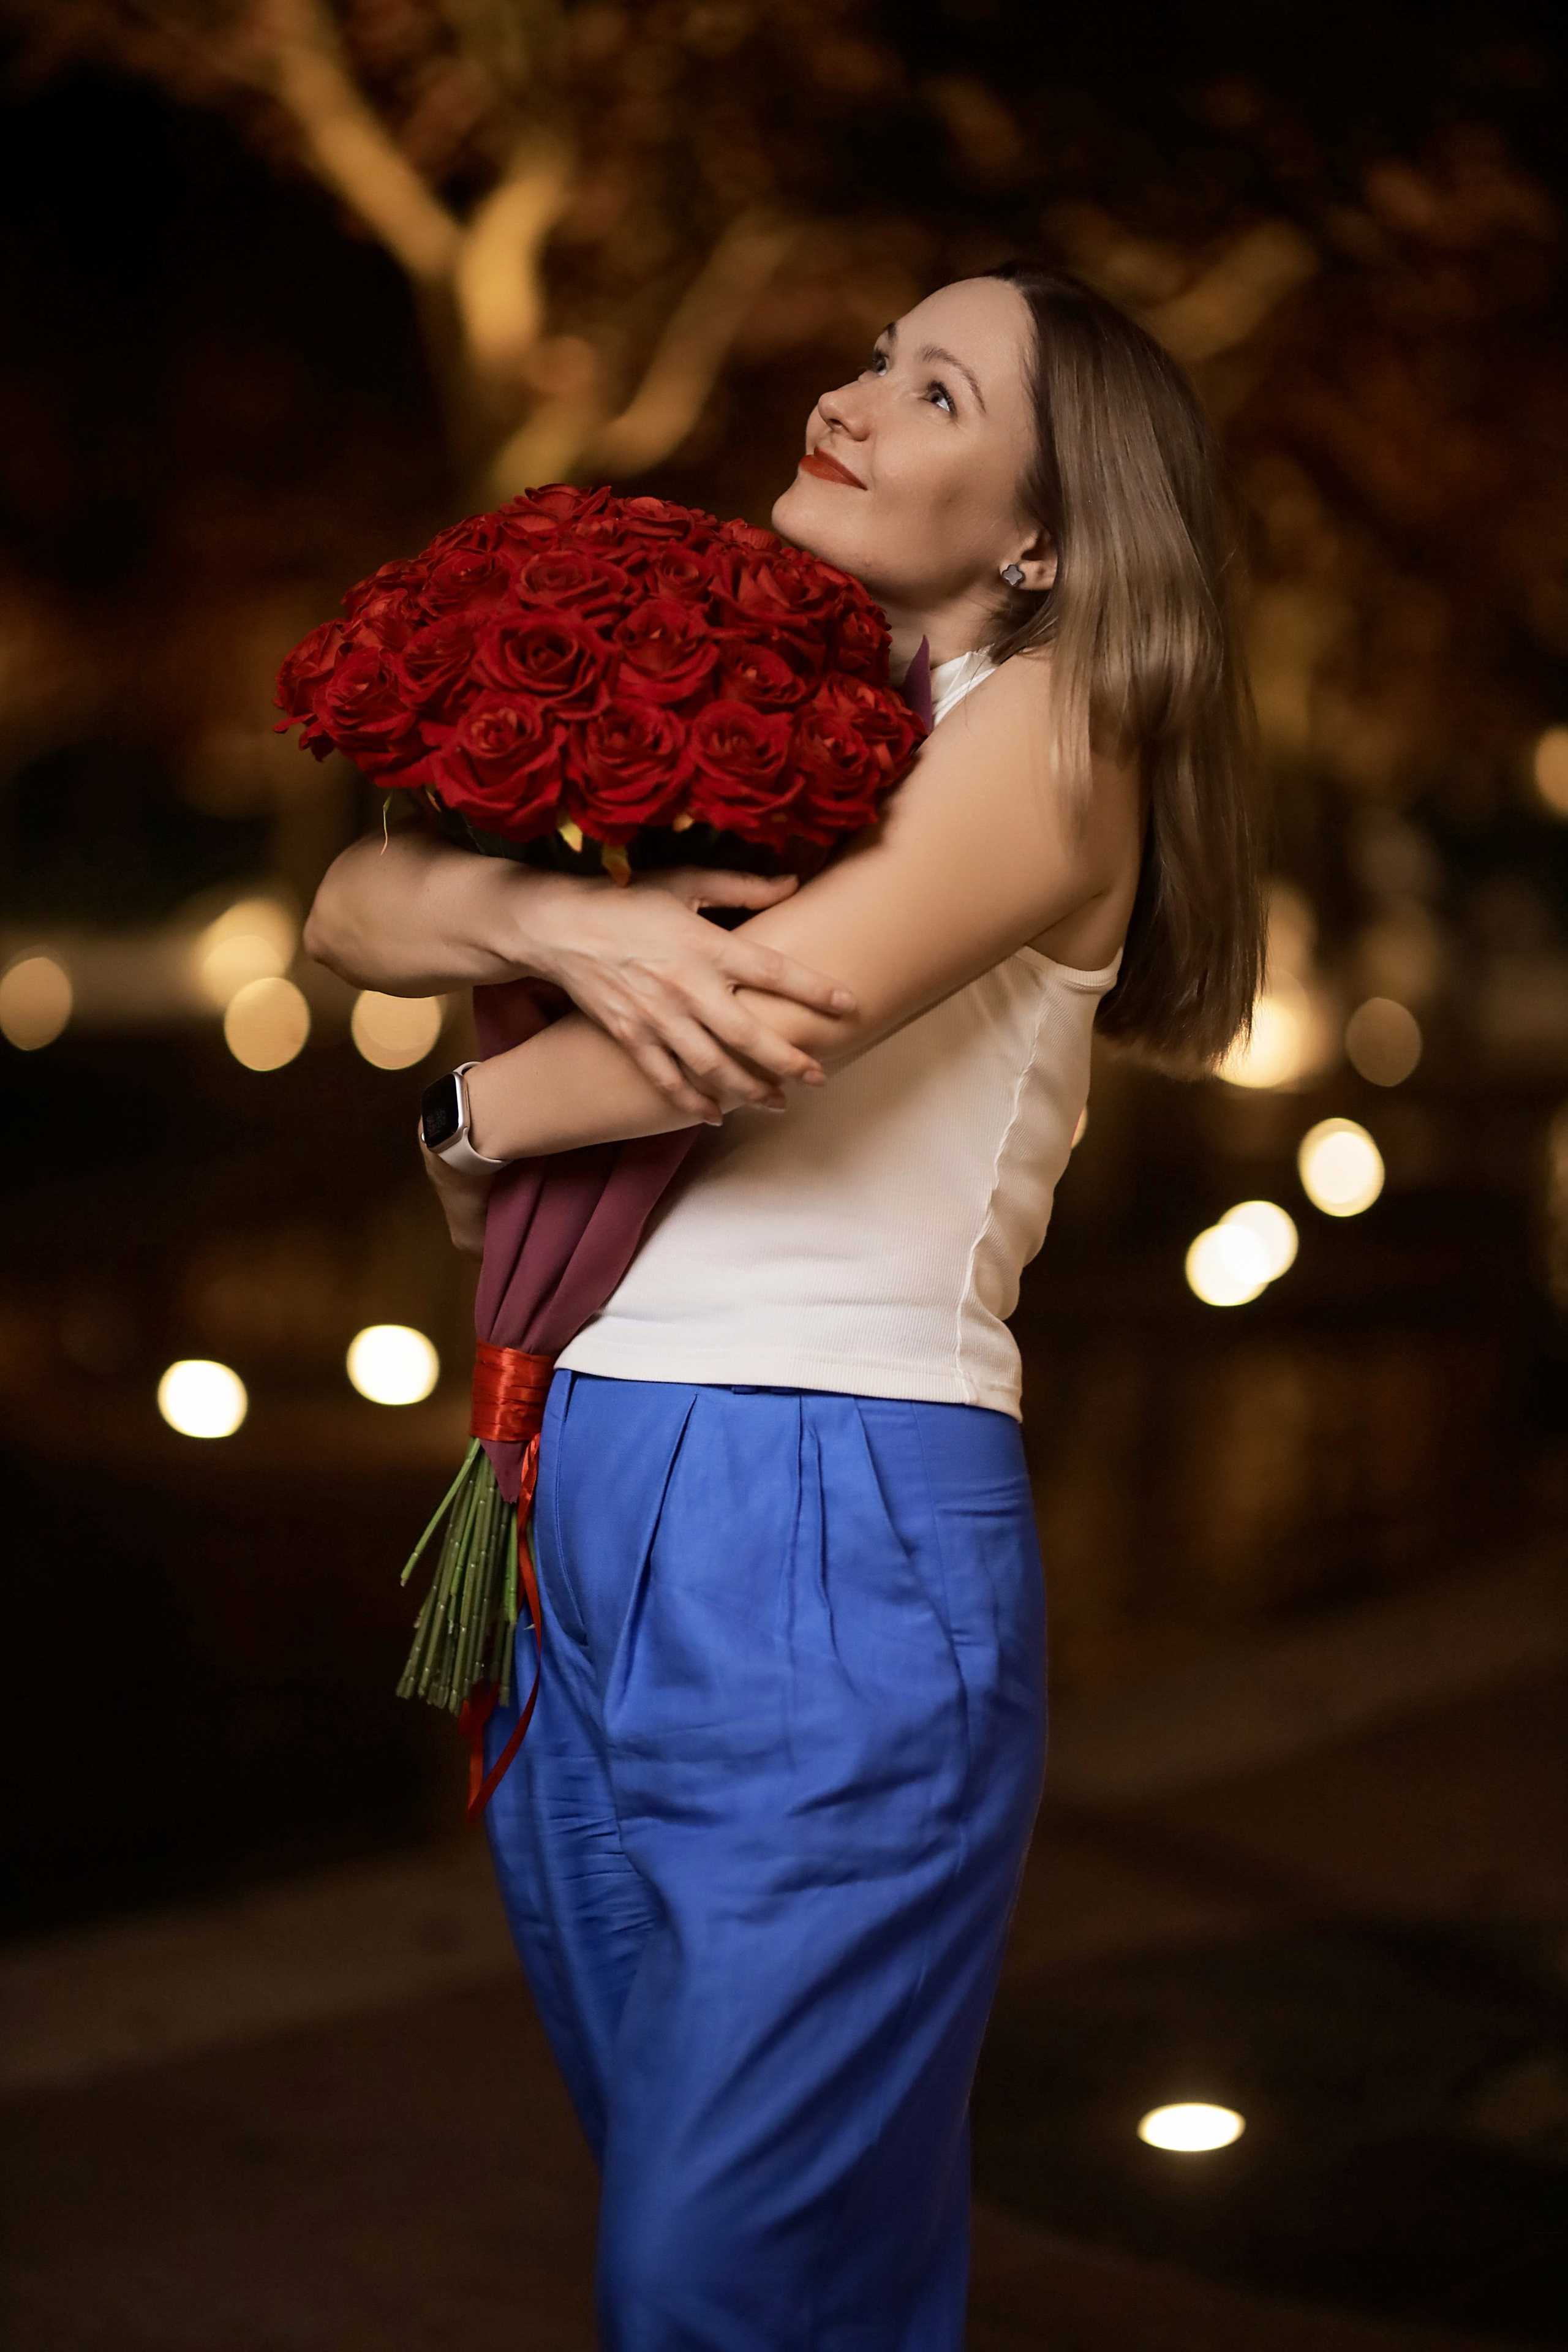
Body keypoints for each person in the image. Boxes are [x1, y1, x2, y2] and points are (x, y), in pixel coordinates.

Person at [306, 263, 1264, 2352]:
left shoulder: (1060, 715)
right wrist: (547, 902)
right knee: (709, 2224)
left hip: (833, 1512)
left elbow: (757, 1028)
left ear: (1047, 530)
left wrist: (468, 1116)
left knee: (715, 2281)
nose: (852, 399)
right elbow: (350, 905)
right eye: (871, 358)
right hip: (579, 1488)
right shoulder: (757, 707)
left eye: (935, 390)